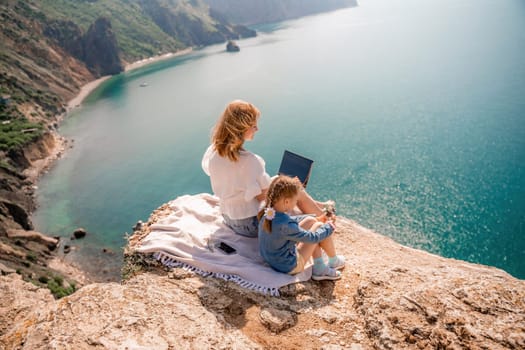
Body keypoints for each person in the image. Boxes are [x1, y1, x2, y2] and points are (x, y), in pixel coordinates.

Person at [202, 99, 334, 237]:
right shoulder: (251, 161)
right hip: (251, 225)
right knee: (295, 187)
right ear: (242, 128)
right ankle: (326, 221)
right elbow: (265, 198)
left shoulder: (212, 152)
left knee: (281, 181)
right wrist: (289, 186)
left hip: (228, 217)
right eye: (253, 125)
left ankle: (320, 207)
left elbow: (217, 173)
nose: (257, 129)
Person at [257, 175, 345, 280]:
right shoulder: (285, 225)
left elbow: (292, 221)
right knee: (319, 227)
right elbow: (313, 238)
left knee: (311, 221)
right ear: (286, 201)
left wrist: (317, 218)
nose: (295, 203)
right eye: (295, 200)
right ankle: (330, 262)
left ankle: (321, 264)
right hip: (288, 266)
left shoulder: (268, 213)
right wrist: (329, 226)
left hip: (273, 259)